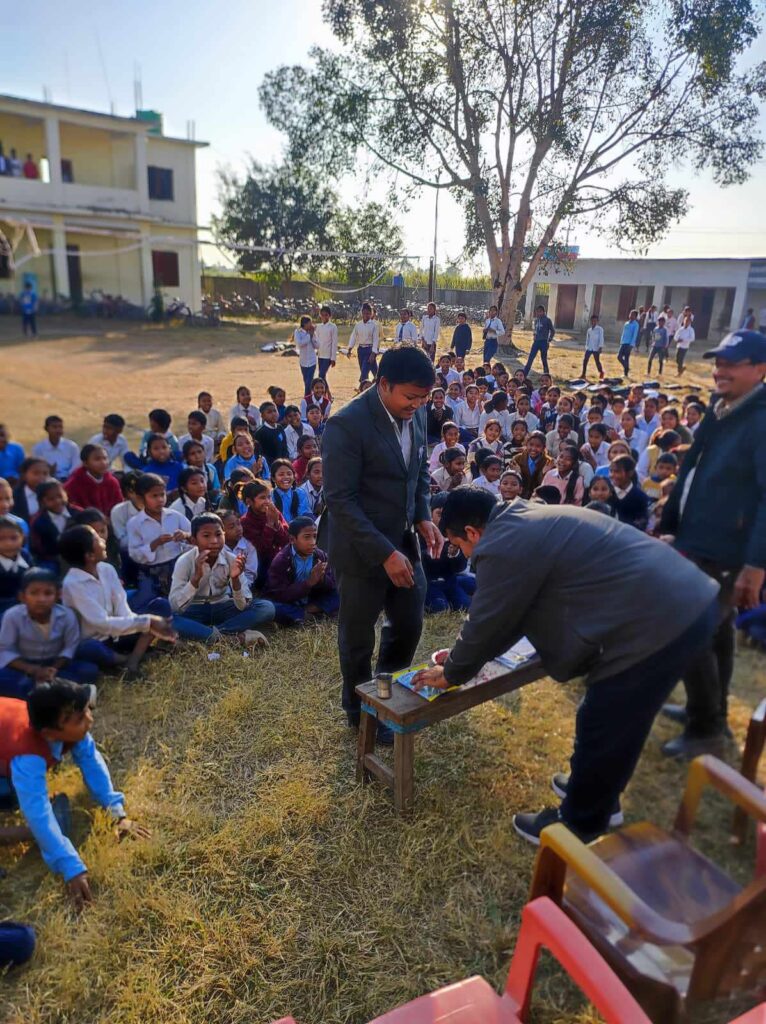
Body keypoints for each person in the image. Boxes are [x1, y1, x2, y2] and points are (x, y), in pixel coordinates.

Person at [410, 489, 719, 844]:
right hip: (684, 597)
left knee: (606, 719)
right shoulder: (524, 518)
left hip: (659, 619)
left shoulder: (503, 543)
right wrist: (467, 656)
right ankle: (599, 797)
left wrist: (452, 673)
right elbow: (512, 612)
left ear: (472, 532)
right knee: (615, 720)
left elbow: (487, 619)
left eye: (457, 544)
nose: (464, 554)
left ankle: (580, 823)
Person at [323, 345, 442, 741]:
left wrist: (423, 514)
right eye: (411, 397)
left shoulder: (418, 412)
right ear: (384, 384)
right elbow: (340, 500)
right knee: (358, 635)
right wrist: (384, 553)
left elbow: (418, 471)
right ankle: (358, 710)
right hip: (359, 547)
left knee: (409, 622)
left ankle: (385, 694)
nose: (418, 405)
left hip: (403, 538)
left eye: (424, 398)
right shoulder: (346, 424)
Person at [659, 329, 766, 757]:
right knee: (715, 632)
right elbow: (692, 473)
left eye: (731, 363)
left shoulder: (760, 420)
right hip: (697, 540)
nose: (720, 370)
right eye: (718, 362)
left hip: (727, 548)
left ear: (760, 370)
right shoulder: (722, 409)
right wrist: (672, 524)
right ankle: (710, 712)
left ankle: (706, 731)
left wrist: (756, 564)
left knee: (691, 632)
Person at [0, 680, 151, 909]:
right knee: (10, 798)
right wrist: (70, 866)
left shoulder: (65, 727)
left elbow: (91, 760)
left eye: (86, 711)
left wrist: (117, 814)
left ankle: (41, 830)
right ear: (50, 734)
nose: (89, 720)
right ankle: (23, 832)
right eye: (79, 719)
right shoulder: (27, 757)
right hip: (11, 759)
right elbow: (37, 811)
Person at [60, 526, 176, 676]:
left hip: (119, 635)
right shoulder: (73, 584)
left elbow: (123, 609)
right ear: (89, 556)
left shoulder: (107, 569)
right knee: (88, 648)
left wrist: (145, 624)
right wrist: (148, 622)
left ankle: (132, 662)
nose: (103, 540)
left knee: (161, 606)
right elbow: (102, 625)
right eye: (97, 539)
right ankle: (126, 659)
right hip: (98, 642)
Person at [169, 513, 274, 644]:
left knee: (266, 607)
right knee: (167, 618)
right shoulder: (185, 561)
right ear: (195, 540)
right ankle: (232, 638)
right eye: (206, 536)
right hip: (194, 609)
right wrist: (195, 579)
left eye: (218, 534)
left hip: (223, 607)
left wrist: (235, 581)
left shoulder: (231, 559)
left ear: (224, 535)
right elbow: (175, 606)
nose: (214, 541)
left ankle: (208, 634)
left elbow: (242, 605)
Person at [0, 569, 98, 699]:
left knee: (89, 670)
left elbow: (70, 647)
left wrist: (52, 669)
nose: (41, 599)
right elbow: (6, 651)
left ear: (58, 595)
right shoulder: (12, 616)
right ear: (22, 597)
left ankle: (42, 690)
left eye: (48, 593)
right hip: (23, 665)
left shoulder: (67, 615)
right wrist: (33, 670)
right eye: (34, 593)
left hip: (55, 664)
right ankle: (65, 692)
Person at [127, 474, 191, 599]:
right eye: (154, 496)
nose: (160, 499)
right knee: (155, 604)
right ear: (141, 499)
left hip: (177, 566)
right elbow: (134, 553)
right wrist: (154, 544)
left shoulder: (174, 516)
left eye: (162, 494)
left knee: (181, 600)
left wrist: (185, 535)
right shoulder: (135, 523)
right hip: (151, 572)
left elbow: (193, 533)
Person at [265, 516, 339, 624]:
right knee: (271, 607)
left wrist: (322, 579)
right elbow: (280, 595)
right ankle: (308, 614)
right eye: (307, 537)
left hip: (311, 600)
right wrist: (308, 583)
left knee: (342, 592)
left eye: (314, 536)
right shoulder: (281, 560)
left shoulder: (320, 556)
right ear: (292, 539)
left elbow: (332, 585)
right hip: (288, 602)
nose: (313, 542)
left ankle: (305, 612)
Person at [422, 492, 476, 612]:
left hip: (450, 580)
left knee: (464, 606)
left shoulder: (457, 535)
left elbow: (460, 567)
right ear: (430, 513)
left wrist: (454, 555)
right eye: (439, 514)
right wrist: (438, 552)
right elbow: (421, 561)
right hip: (429, 581)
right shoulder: (424, 533)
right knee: (440, 607)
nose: (443, 520)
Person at [240, 480, 290, 583]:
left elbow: (287, 540)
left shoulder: (274, 513)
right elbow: (261, 549)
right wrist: (269, 526)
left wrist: (276, 523)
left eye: (269, 497)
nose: (267, 501)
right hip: (261, 564)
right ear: (249, 501)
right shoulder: (245, 522)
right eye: (262, 498)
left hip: (279, 558)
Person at [62, 445, 121, 518]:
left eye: (105, 458)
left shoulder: (112, 482)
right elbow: (72, 508)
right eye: (97, 459)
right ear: (85, 463)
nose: (103, 462)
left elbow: (118, 507)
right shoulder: (73, 484)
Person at [28, 480, 72, 567]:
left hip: (79, 557)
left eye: (60, 496)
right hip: (52, 559)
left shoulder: (77, 514)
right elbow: (38, 548)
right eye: (51, 499)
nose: (58, 501)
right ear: (42, 502)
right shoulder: (38, 521)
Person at [218, 508, 259, 588]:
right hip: (221, 592)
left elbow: (250, 574)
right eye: (231, 527)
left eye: (239, 524)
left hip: (243, 589)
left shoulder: (248, 547)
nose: (238, 529)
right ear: (220, 531)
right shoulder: (216, 548)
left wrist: (240, 588)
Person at [608, 454, 650, 530]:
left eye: (617, 471)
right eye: (611, 471)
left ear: (630, 473)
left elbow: (643, 521)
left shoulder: (640, 497)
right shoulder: (608, 494)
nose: (612, 475)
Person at [32, 416, 80, 482]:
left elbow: (76, 467)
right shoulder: (38, 448)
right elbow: (37, 468)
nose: (58, 430)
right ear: (46, 429)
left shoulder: (72, 446)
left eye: (60, 427)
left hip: (69, 480)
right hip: (47, 481)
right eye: (54, 427)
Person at [0, 517, 30, 616]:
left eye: (14, 538)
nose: (8, 543)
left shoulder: (25, 555)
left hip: (26, 601)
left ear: (23, 537)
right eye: (1, 539)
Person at [511, 431, 553, 498]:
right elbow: (512, 482)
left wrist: (543, 473)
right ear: (526, 444)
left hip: (538, 498)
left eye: (538, 446)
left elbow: (546, 486)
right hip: (519, 497)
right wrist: (518, 473)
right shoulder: (517, 459)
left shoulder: (549, 462)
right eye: (531, 445)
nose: (533, 449)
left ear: (543, 448)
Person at [347, 302, 380, 387]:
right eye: (364, 313)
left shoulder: (374, 325)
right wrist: (350, 349)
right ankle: (379, 380)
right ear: (362, 313)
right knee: (371, 369)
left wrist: (373, 353)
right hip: (361, 350)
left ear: (371, 314)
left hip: (370, 350)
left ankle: (362, 388)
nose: (366, 315)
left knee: (364, 371)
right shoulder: (358, 325)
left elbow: (376, 339)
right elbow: (353, 336)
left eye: (368, 313)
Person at [270, 459, 312, 523]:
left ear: (294, 476)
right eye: (281, 475)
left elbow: (304, 514)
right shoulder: (270, 496)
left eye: (289, 474)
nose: (286, 477)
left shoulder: (300, 493)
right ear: (273, 478)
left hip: (298, 529)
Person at [12, 457, 49, 522]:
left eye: (45, 473)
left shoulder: (54, 493)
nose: (41, 477)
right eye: (36, 473)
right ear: (24, 475)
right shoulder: (15, 496)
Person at [254, 402, 289, 466]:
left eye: (275, 411)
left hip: (283, 463)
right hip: (270, 466)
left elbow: (284, 447)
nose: (273, 414)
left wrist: (285, 461)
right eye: (269, 412)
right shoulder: (260, 433)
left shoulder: (280, 427)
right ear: (262, 416)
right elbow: (260, 454)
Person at [525, 305, 555, 376]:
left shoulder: (547, 320)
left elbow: (552, 331)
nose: (538, 313)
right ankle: (525, 373)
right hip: (536, 342)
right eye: (537, 312)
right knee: (530, 358)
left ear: (543, 312)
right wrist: (534, 335)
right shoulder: (536, 320)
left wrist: (549, 340)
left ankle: (546, 374)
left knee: (544, 359)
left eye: (539, 312)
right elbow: (535, 330)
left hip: (544, 342)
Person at [295, 315, 319, 394]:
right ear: (305, 324)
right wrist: (309, 335)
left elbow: (317, 346)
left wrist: (312, 336)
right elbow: (300, 344)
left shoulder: (313, 333)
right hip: (303, 362)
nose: (311, 325)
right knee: (306, 382)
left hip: (312, 361)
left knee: (309, 382)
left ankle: (307, 399)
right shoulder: (298, 332)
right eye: (310, 323)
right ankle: (310, 397)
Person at [315, 305, 339, 380]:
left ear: (329, 316)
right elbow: (316, 340)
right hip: (320, 355)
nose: (324, 317)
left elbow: (334, 343)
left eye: (326, 315)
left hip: (328, 356)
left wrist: (333, 358)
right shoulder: (318, 327)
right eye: (322, 315)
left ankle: (324, 391)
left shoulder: (333, 327)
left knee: (321, 375)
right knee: (323, 376)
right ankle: (327, 392)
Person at [617, 309, 639, 376]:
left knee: (626, 358)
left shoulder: (636, 325)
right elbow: (623, 333)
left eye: (633, 315)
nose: (631, 316)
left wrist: (632, 345)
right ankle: (627, 367)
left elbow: (634, 335)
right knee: (619, 357)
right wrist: (621, 341)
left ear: (635, 316)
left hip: (629, 344)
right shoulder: (626, 323)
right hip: (623, 342)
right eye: (630, 314)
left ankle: (625, 374)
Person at [582, 314, 605, 380]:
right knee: (585, 360)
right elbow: (587, 339)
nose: (593, 322)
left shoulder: (600, 329)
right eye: (592, 321)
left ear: (597, 321)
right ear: (590, 321)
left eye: (595, 321)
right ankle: (583, 374)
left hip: (596, 348)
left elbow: (601, 338)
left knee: (597, 361)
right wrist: (586, 346)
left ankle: (601, 372)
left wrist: (600, 347)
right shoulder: (589, 330)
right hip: (589, 348)